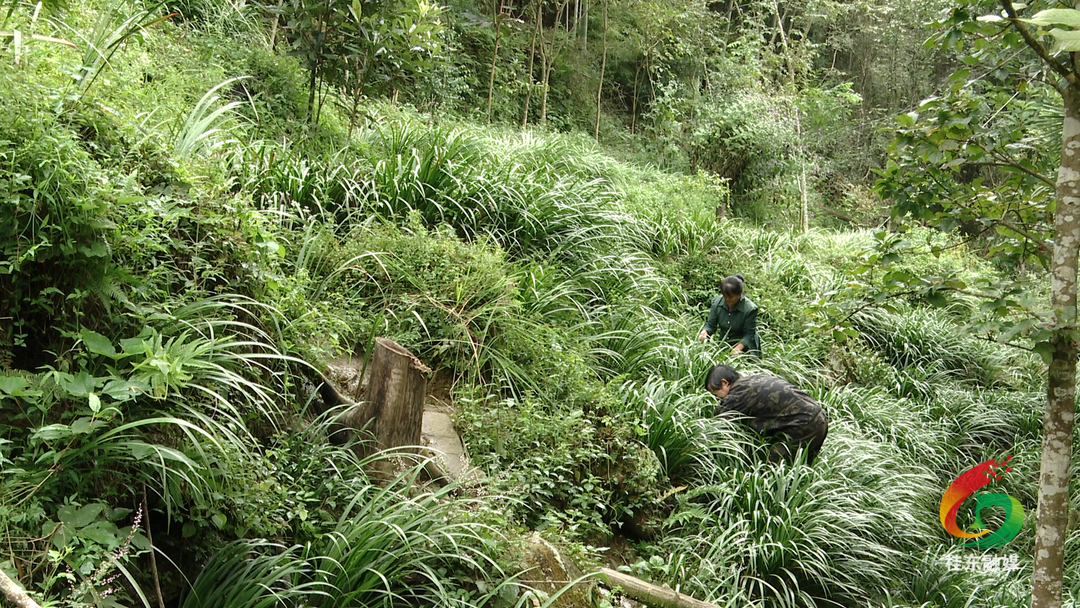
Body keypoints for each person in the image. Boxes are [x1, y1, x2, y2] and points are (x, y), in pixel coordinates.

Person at [705, 365, 828, 465]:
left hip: (803, 425)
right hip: (820, 419)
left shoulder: (737, 394)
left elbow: (718, 427)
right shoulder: (752, 380)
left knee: (773, 470)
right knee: (800, 470)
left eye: (715, 393)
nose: (716, 399)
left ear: (725, 383)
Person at [697, 274, 761, 358]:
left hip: (746, 348)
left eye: (731, 297)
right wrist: (705, 331)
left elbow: (749, 334)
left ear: (739, 294)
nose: (727, 299)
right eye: (725, 296)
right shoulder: (717, 303)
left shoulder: (750, 309)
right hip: (724, 345)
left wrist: (738, 348)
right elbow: (710, 324)